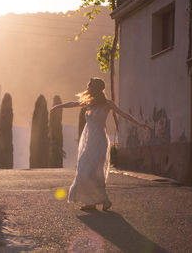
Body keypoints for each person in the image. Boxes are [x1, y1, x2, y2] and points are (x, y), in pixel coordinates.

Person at [50, 77, 151, 211]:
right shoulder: (89, 102)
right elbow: (73, 103)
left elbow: (123, 114)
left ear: (96, 89)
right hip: (89, 140)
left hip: (99, 141)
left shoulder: (107, 104)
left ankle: (103, 200)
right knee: (84, 170)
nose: (88, 89)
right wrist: (59, 106)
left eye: (90, 86)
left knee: (94, 172)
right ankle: (90, 202)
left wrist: (139, 124)